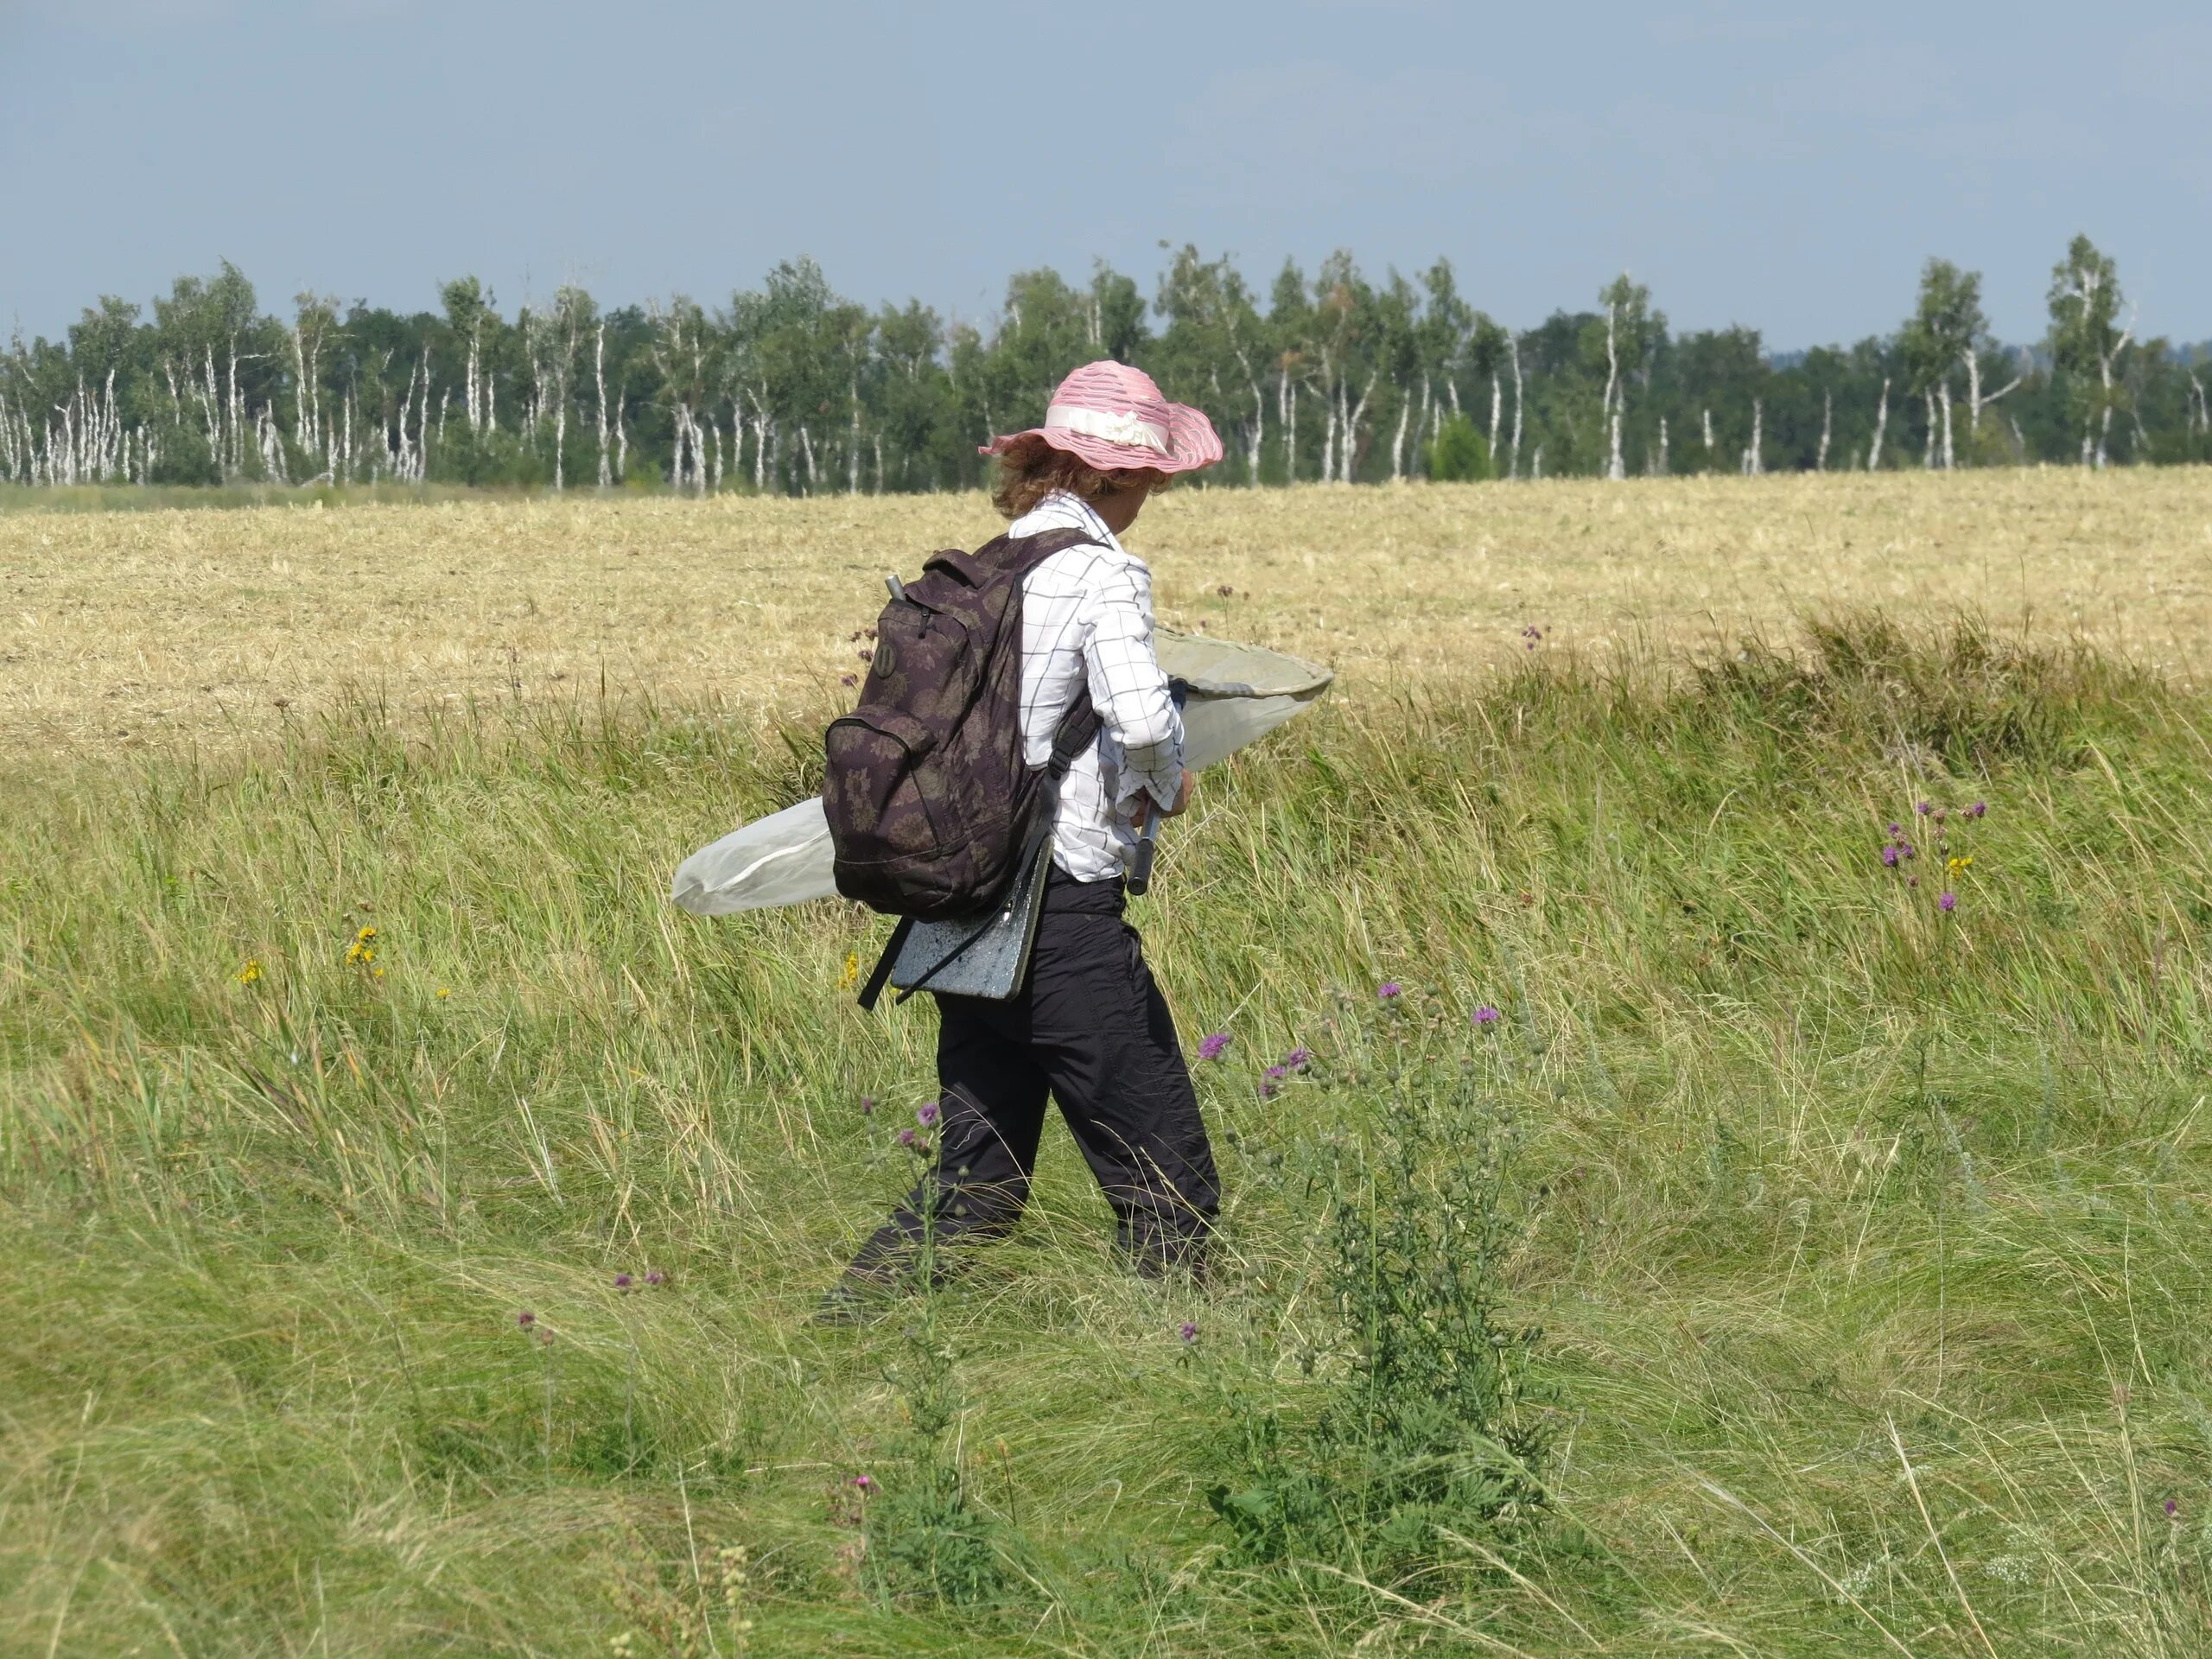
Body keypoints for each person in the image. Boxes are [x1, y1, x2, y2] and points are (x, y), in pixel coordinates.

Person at [832, 361, 1225, 1305]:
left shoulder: (989, 566)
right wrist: (1162, 784)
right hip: (1061, 918)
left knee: (979, 1187)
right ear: (1113, 478)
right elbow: (1137, 719)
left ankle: (840, 1349)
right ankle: (1195, 1377)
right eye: (1151, 483)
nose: (1152, 501)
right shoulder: (1101, 573)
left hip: (962, 912)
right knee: (1170, 1184)